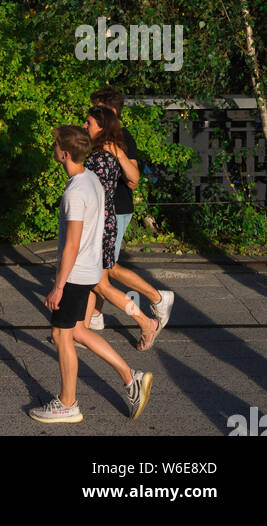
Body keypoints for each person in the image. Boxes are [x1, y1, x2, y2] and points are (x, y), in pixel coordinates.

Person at [29, 125, 153, 424]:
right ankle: (130, 377)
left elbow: (72, 243)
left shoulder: (75, 191)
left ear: (65, 153)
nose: (53, 147)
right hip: (89, 270)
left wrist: (58, 286)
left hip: (75, 274)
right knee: (79, 332)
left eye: (56, 144)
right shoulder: (91, 180)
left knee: (61, 334)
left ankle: (68, 403)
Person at [89, 86, 174, 345]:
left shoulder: (122, 137)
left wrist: (117, 153)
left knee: (105, 273)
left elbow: (135, 178)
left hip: (115, 211)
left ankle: (156, 299)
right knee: (101, 274)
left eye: (97, 109)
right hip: (103, 214)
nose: (91, 114)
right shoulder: (96, 138)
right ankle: (92, 318)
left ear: (111, 111)